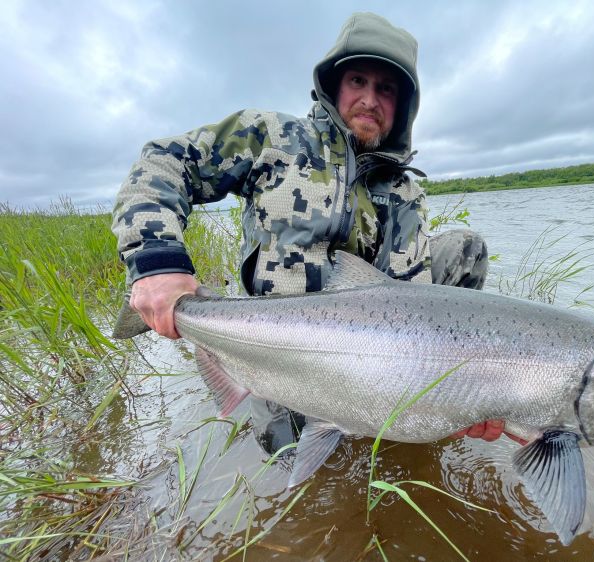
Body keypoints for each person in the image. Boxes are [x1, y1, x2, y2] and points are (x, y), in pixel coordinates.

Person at [111, 12, 517, 451]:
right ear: (334, 85)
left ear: (403, 106)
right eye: (358, 80)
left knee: (463, 250)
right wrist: (156, 262)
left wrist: (453, 398)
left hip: (366, 354)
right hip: (272, 350)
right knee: (286, 465)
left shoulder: (403, 191)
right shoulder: (271, 138)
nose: (370, 99)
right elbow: (165, 162)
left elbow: (410, 298)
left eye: (386, 89)